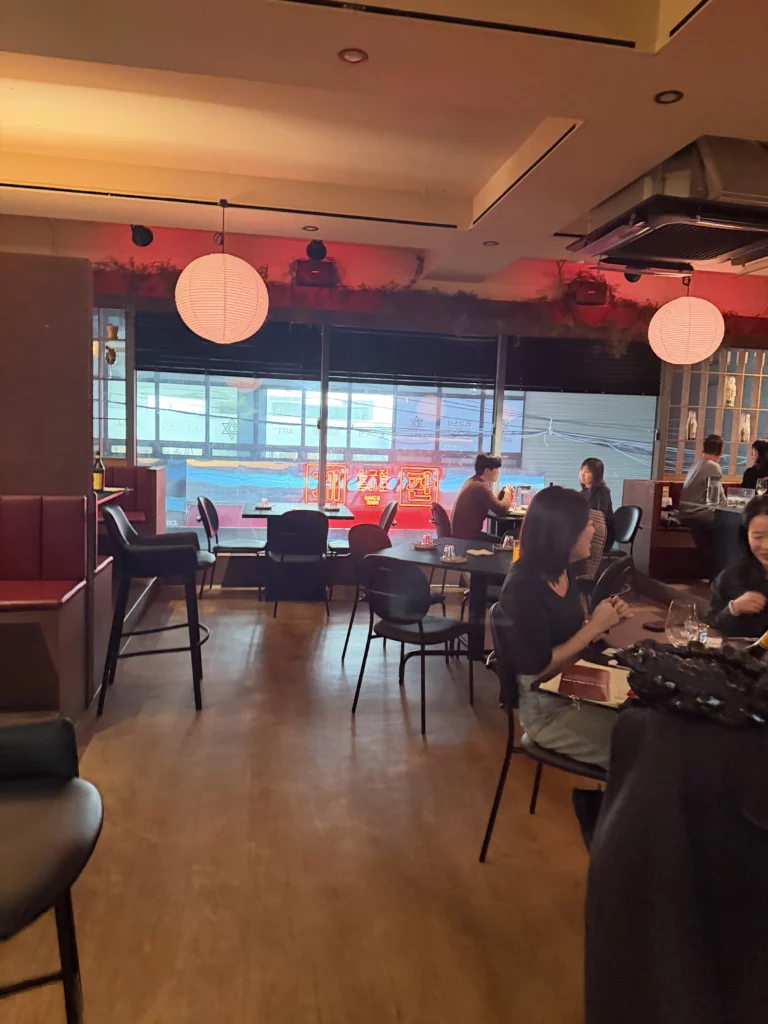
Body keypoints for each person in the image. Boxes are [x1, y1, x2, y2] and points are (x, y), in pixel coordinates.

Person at [499, 486, 631, 770]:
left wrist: (601, 624)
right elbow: (536, 666)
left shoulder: (563, 572)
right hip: (546, 708)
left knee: (650, 725)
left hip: (573, 686)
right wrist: (593, 626)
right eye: (587, 525)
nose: (593, 532)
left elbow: (565, 636)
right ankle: (602, 809)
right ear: (563, 534)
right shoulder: (523, 586)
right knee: (641, 753)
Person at [708, 493, 768, 637]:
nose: (766, 546)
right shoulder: (730, 578)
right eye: (758, 537)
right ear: (746, 536)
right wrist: (733, 609)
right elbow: (710, 627)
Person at [450, 452, 513, 541]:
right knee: (506, 541)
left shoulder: (471, 481)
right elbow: (502, 510)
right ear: (487, 470)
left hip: (460, 536)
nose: (498, 473)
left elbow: (490, 501)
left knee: (500, 539)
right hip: (467, 539)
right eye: (496, 469)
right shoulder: (480, 487)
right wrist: (508, 493)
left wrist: (502, 492)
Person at [680, 433, 724, 511]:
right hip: (699, 514)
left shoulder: (696, 464)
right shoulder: (713, 466)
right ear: (721, 451)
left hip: (685, 512)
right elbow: (718, 499)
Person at [579, 457, 615, 550]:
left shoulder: (603, 492)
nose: (582, 474)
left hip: (600, 536)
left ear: (596, 475)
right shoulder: (582, 493)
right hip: (588, 533)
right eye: (581, 470)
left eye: (587, 471)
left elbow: (600, 516)